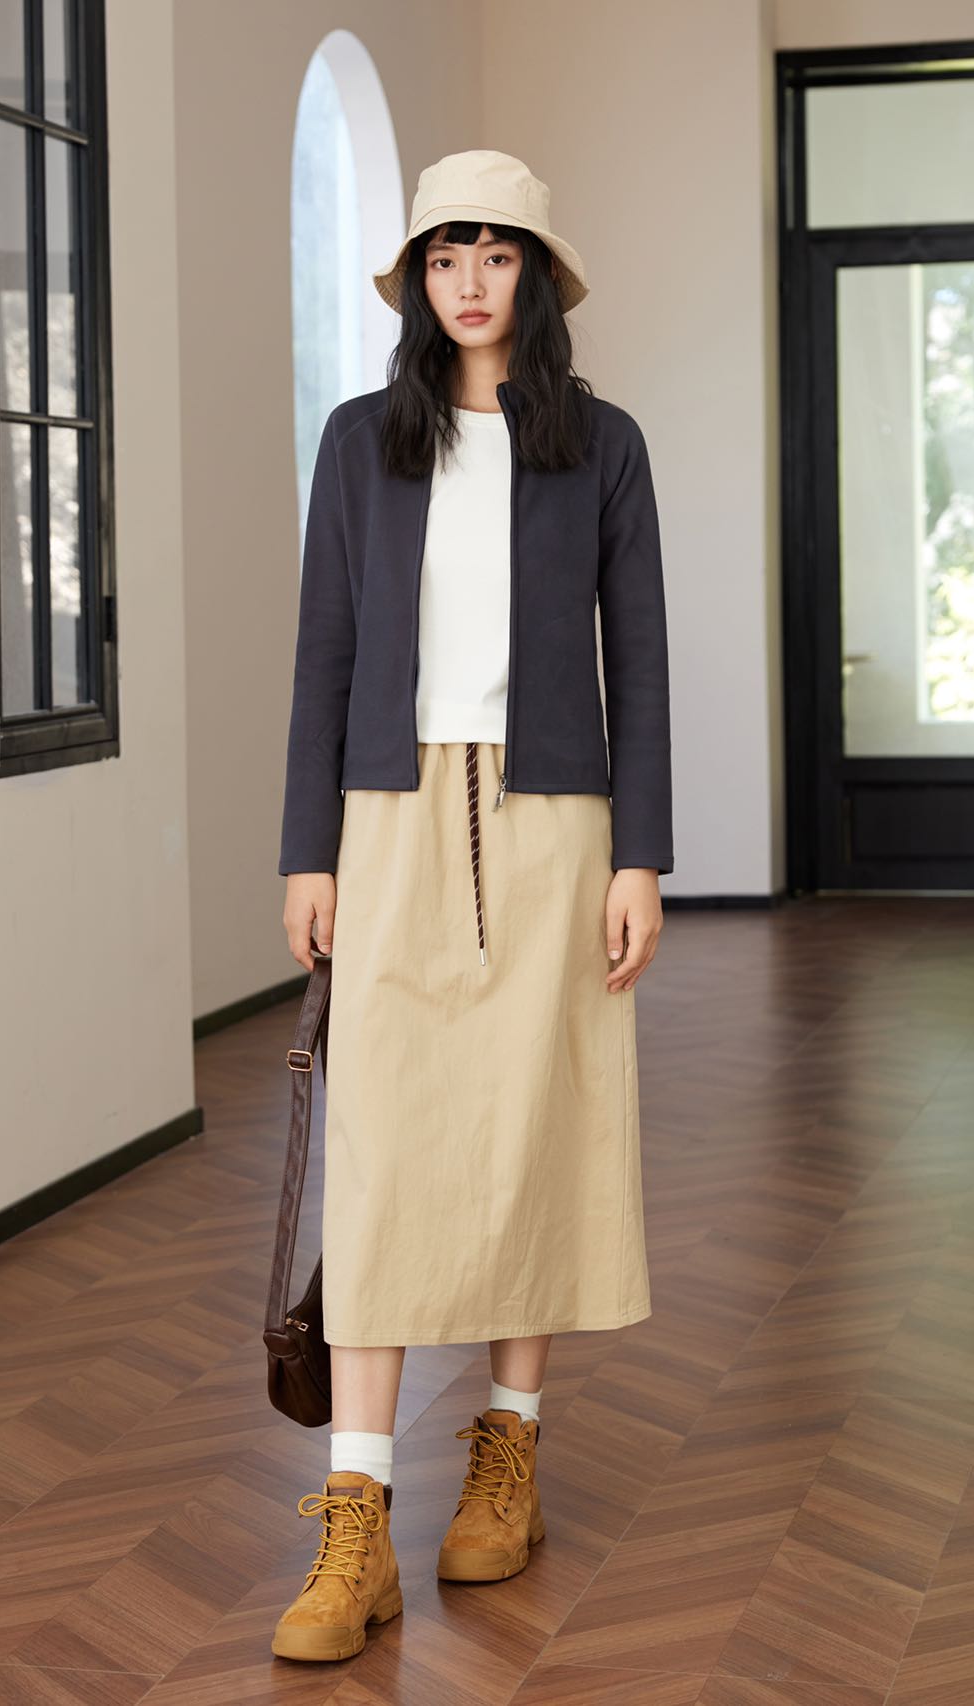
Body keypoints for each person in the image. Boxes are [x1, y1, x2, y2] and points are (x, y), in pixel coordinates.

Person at [272, 149, 673, 1664]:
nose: (470, 281)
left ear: (537, 277)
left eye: (497, 254)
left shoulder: (603, 445)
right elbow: (322, 648)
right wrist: (308, 851)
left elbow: (640, 655)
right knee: (378, 1150)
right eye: (446, 254)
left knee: (532, 1128)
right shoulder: (358, 440)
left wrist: (642, 856)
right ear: (419, 278)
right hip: (386, 814)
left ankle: (512, 1449)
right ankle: (358, 1513)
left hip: (558, 818)